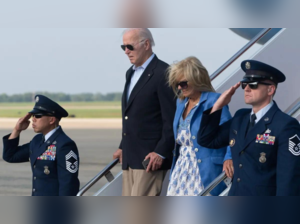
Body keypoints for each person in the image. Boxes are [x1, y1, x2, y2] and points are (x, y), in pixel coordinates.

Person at [198, 60, 300, 196]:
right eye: (245, 84)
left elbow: (289, 180)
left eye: (253, 84)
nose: (246, 88)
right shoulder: (240, 117)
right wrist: (218, 106)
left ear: (270, 89)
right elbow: (206, 139)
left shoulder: (285, 125)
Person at [113, 28, 176, 196]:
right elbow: (133, 114)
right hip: (130, 157)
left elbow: (171, 119)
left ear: (146, 44)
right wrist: (122, 146)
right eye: (123, 47)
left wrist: (161, 152)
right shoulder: (131, 73)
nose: (126, 51)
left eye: (130, 46)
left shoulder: (164, 73)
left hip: (150, 159)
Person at [166, 56, 233, 196]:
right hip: (181, 170)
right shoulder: (180, 103)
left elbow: (231, 132)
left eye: (183, 83)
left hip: (205, 169)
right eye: (177, 84)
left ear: (196, 78)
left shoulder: (214, 101)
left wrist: (229, 157)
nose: (179, 88)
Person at [2, 95, 80, 196]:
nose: (33, 119)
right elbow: (10, 156)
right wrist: (17, 130)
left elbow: (68, 185)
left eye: (38, 116)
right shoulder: (37, 141)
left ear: (51, 120)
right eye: (33, 115)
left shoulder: (65, 145)